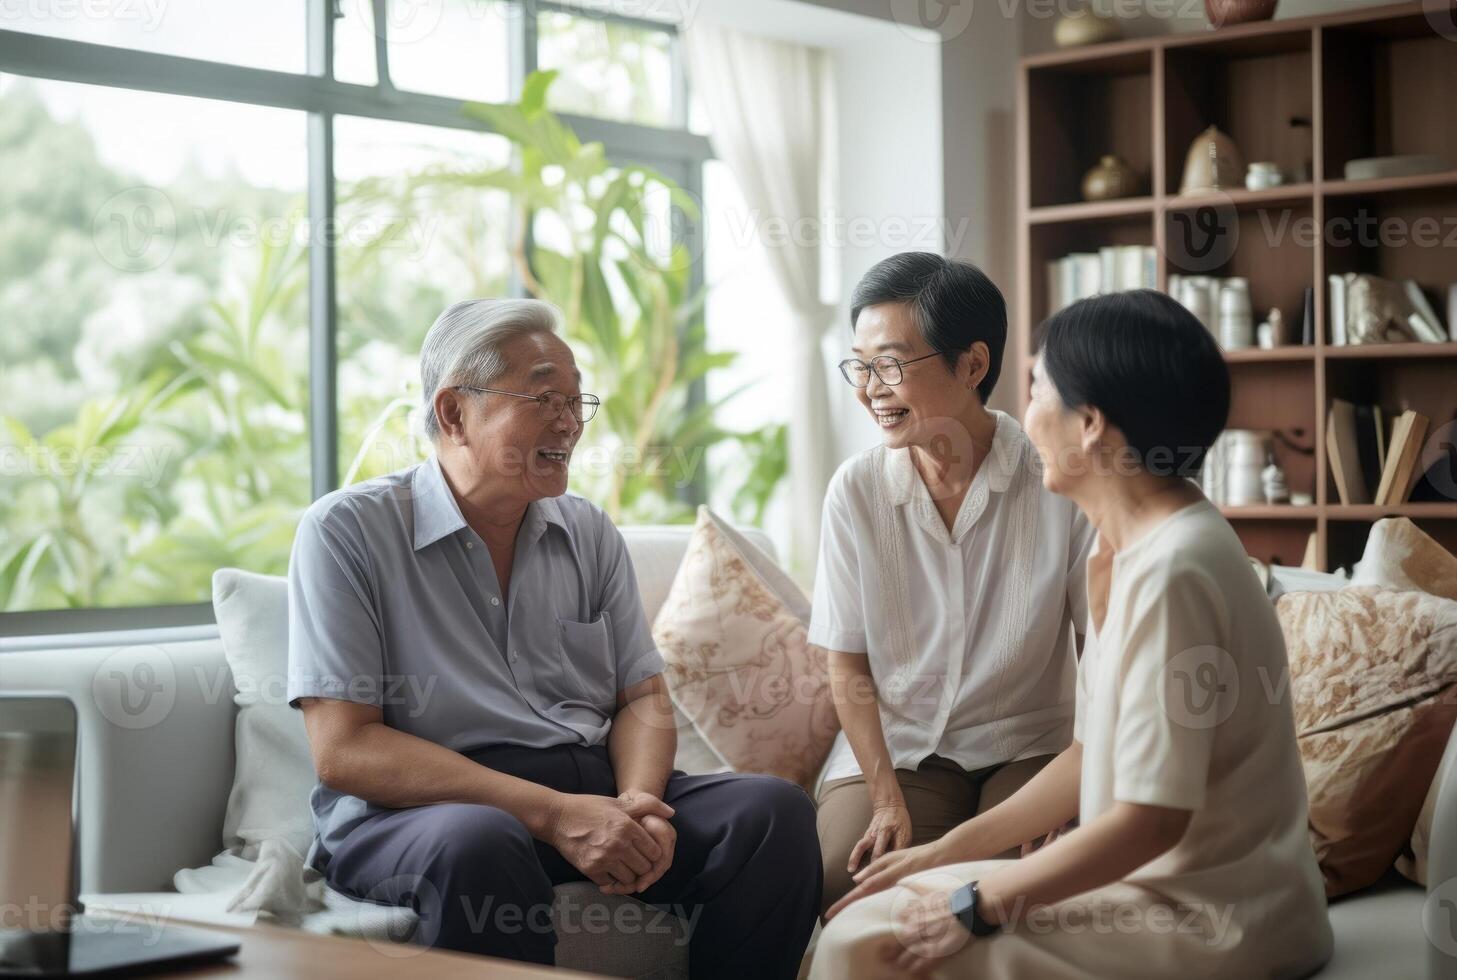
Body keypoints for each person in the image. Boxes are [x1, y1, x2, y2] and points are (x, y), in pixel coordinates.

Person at [286, 299, 821, 978]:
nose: (569, 423)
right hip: (426, 813)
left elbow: (642, 698)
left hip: (591, 788)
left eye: (576, 401)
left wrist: (635, 806)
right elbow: (344, 750)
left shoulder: (588, 531)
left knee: (771, 814)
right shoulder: (347, 532)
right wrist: (553, 814)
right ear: (453, 413)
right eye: (543, 398)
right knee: (477, 843)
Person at [812, 289, 1333, 979]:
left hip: (1210, 914)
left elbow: (1150, 821)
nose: (1022, 417)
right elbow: (1092, 755)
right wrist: (942, 856)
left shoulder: (1174, 571)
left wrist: (974, 901)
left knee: (868, 941)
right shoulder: (1129, 547)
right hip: (1164, 885)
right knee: (877, 904)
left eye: (1035, 390)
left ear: (1088, 424)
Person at [810, 252, 1095, 915]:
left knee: (990, 898)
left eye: (889, 364)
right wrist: (883, 797)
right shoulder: (855, 490)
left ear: (971, 365)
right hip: (899, 753)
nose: (869, 388)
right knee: (843, 882)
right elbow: (844, 661)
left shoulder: (1056, 479)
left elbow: (1099, 647)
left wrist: (1081, 784)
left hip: (1026, 747)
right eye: (860, 365)